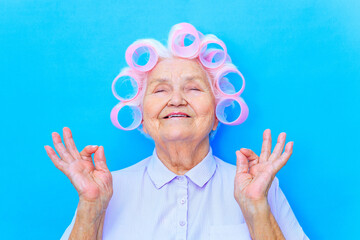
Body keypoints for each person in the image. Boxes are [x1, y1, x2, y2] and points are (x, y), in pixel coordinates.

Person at [44, 23, 309, 240]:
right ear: (142, 120)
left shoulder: (260, 188)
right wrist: (90, 208)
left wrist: (256, 209)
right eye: (160, 90)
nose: (176, 99)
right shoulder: (104, 190)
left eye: (193, 88)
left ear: (218, 114)